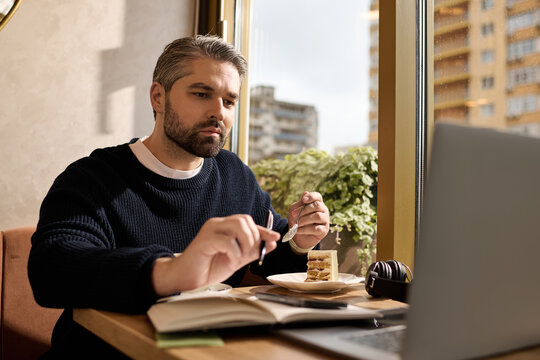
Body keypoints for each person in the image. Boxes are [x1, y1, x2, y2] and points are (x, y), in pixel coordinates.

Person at [28, 35, 330, 358]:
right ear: (158, 97)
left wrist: (301, 238)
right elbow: (51, 269)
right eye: (202, 94)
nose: (219, 112)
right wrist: (170, 271)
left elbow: (271, 251)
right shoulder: (94, 178)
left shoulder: (234, 175)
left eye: (229, 102)